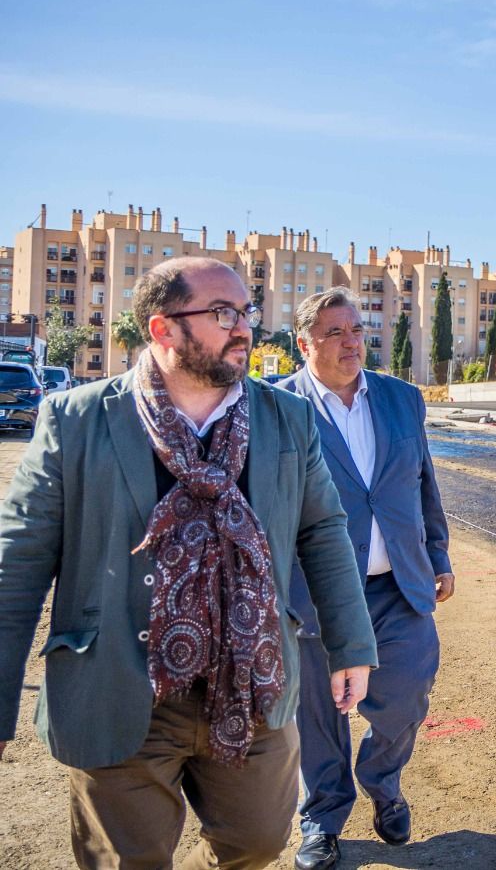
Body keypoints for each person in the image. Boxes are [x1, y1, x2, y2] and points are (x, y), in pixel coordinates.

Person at [0, 257, 377, 870]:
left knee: (258, 843)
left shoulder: (287, 417)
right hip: (119, 688)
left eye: (246, 312)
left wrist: (351, 644)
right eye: (221, 313)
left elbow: (323, 532)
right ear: (163, 329)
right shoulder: (78, 421)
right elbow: (17, 561)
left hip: (253, 683)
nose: (244, 329)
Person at [280, 289, 453, 870]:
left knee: (407, 692)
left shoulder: (403, 399)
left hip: (396, 583)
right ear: (303, 344)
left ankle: (383, 778)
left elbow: (422, 481)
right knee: (320, 711)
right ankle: (323, 818)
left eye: (356, 329)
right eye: (334, 333)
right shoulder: (277, 407)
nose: (352, 341)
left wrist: (439, 555)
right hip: (317, 591)